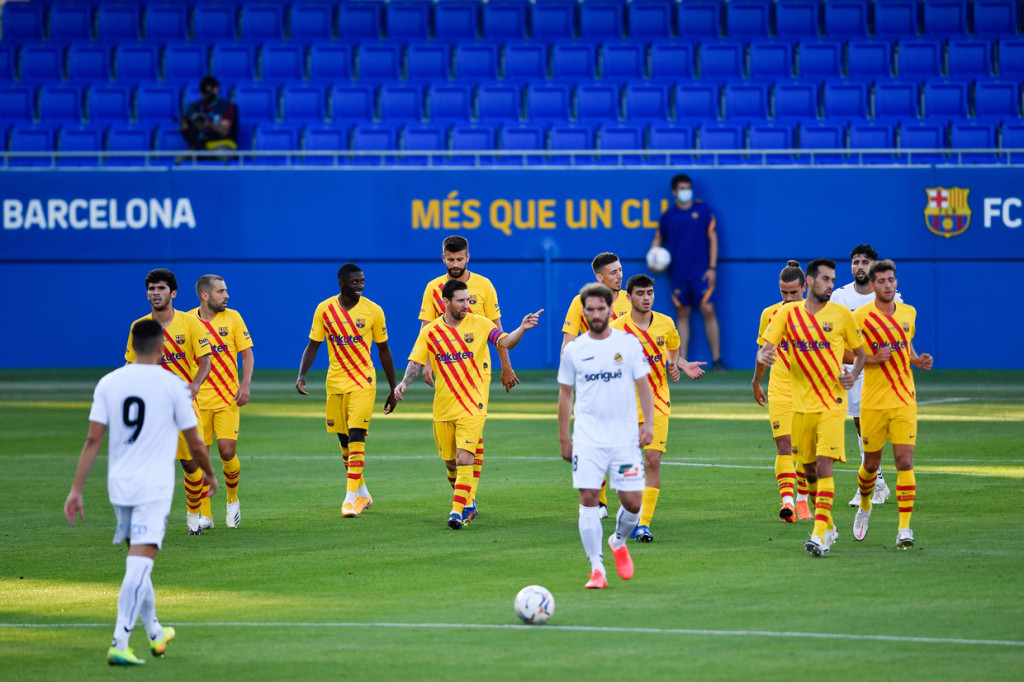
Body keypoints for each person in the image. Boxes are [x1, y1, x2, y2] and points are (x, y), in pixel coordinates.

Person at [65, 319, 218, 666]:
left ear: (131, 345)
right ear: (162, 346)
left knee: (138, 558)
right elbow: (194, 440)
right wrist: (209, 473)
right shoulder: (172, 385)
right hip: (153, 487)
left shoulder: (109, 382)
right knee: (139, 563)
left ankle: (154, 632)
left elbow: (92, 439)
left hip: (119, 486)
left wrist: (76, 489)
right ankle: (120, 640)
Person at [393, 279, 541, 529]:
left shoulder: (481, 323)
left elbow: (505, 342)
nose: (466, 304)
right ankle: (468, 500)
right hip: (443, 406)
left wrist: (522, 328)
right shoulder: (430, 332)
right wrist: (404, 383)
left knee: (464, 457)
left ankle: (456, 511)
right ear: (446, 302)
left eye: (468, 299)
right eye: (461, 301)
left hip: (473, 403)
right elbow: (416, 360)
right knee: (450, 462)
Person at [757, 259, 866, 557]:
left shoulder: (842, 315)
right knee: (807, 469)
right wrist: (760, 368)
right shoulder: (785, 314)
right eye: (826, 279)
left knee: (823, 465)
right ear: (811, 282)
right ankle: (827, 524)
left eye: (833, 280)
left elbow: (859, 353)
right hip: (797, 401)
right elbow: (766, 347)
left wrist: (853, 374)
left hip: (831, 402)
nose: (830, 285)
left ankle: (818, 534)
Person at [558, 283, 654, 588]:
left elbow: (643, 385)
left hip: (624, 438)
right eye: (591, 310)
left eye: (601, 309)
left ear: (611, 309)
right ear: (584, 312)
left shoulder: (628, 344)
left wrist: (648, 423)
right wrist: (564, 438)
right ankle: (596, 568)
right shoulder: (574, 350)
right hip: (587, 439)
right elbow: (565, 395)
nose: (596, 314)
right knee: (588, 498)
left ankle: (618, 540)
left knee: (633, 503)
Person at [418, 235, 516, 521]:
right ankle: (468, 498)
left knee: (470, 429)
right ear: (443, 258)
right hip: (446, 370)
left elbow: (497, 329)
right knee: (454, 451)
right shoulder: (434, 288)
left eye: (460, 259)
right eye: (451, 259)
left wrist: (505, 366)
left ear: (468, 258)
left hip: (477, 370)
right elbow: (426, 327)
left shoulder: (484, 286)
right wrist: (424, 361)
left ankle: (461, 505)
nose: (456, 263)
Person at [296, 264, 398, 518]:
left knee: (356, 435)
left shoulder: (374, 311)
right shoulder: (325, 309)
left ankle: (350, 499)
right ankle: (362, 492)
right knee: (344, 442)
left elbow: (384, 350)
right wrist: (302, 374)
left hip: (363, 381)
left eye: (362, 281)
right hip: (335, 382)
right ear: (341, 283)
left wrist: (393, 387)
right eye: (355, 282)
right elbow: (313, 345)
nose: (360, 286)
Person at [610, 274, 705, 542]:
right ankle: (629, 509)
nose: (646, 297)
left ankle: (643, 523)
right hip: (625, 407)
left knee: (652, 460)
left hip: (658, 402)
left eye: (649, 292)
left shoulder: (665, 323)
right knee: (625, 467)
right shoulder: (617, 329)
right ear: (628, 298)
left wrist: (677, 365)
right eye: (640, 293)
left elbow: (672, 347)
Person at [124, 268, 213, 534]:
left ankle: (193, 515)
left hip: (183, 405)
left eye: (161, 288)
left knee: (190, 463)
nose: (155, 293)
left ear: (172, 293)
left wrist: (195, 384)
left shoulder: (189, 323)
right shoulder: (139, 327)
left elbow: (205, 361)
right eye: (151, 288)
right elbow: (131, 364)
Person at [851, 260, 933, 549]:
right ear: (872, 285)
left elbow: (906, 346)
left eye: (891, 280)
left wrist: (916, 360)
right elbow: (847, 354)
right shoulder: (860, 317)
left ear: (895, 282)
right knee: (870, 465)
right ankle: (864, 506)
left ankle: (904, 529)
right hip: (872, 402)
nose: (887, 285)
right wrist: (873, 359)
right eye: (882, 281)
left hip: (904, 399)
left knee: (905, 462)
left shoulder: (908, 312)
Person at [830, 244, 903, 508]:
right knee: (861, 427)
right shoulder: (840, 297)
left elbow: (899, 329)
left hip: (881, 373)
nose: (859, 266)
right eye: (855, 262)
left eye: (864, 262)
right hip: (852, 371)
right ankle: (877, 484)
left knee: (879, 427)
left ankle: (873, 485)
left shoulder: (888, 295)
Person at [561, 251, 633, 517]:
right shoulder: (580, 303)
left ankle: (628, 500)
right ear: (599, 277)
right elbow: (568, 343)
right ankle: (601, 502)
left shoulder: (631, 300)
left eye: (620, 270)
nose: (620, 276)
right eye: (613, 272)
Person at [187, 275, 253, 529]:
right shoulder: (188, 320)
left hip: (228, 398)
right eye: (221, 291)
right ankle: (205, 514)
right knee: (198, 457)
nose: (226, 295)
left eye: (226, 290)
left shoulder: (233, 318)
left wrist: (245, 384)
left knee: (227, 451)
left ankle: (232, 499)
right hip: (197, 402)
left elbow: (247, 355)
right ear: (205, 296)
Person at [753, 260, 814, 523]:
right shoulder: (770, 314)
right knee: (784, 446)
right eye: (783, 293)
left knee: (805, 452)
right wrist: (756, 382)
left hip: (810, 391)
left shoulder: (818, 315)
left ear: (805, 287)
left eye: (793, 292)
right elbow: (763, 351)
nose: (788, 298)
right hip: (779, 388)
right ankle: (788, 501)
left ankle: (802, 500)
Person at [651, 173, 724, 372]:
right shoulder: (668, 216)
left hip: (702, 271)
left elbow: (713, 238)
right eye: (682, 189)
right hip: (679, 273)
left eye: (688, 188)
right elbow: (658, 239)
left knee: (708, 309)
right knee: (682, 313)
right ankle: (681, 361)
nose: (686, 192)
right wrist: (653, 255)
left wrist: (712, 267)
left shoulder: (703, 210)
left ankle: (717, 360)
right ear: (675, 192)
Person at [180, 76, 238, 152]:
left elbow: (224, 131)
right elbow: (187, 133)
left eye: (210, 91)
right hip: (199, 145)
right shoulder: (194, 107)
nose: (207, 94)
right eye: (205, 92)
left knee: (221, 153)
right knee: (179, 160)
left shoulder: (228, 107)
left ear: (217, 89)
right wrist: (189, 127)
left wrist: (209, 124)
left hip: (222, 143)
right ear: (201, 92)